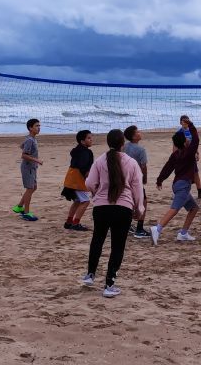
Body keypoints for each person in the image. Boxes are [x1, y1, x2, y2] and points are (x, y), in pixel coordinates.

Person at [81, 129, 145, 297]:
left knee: (97, 239)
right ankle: (109, 285)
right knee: (118, 246)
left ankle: (90, 274)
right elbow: (138, 188)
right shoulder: (131, 162)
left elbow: (89, 183)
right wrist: (139, 208)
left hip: (101, 207)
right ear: (123, 144)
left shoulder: (100, 160)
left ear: (108, 143)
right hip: (123, 208)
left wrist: (96, 193)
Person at [149, 129, 201, 245]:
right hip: (183, 186)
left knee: (193, 208)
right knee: (174, 209)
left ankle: (183, 233)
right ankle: (157, 228)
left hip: (178, 185)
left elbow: (167, 168)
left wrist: (159, 180)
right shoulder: (189, 152)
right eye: (186, 138)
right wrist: (190, 125)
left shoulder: (176, 154)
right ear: (184, 142)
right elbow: (196, 139)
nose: (188, 139)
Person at [122, 125, 152, 238]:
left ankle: (127, 225)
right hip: (135, 179)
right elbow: (143, 166)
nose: (140, 133)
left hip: (124, 178)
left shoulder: (124, 147)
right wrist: (145, 178)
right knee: (143, 201)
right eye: (138, 132)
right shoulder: (141, 150)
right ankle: (139, 229)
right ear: (134, 137)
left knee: (128, 201)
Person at [62, 130, 94, 231]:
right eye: (89, 138)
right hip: (77, 179)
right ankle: (76, 223)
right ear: (82, 141)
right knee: (85, 201)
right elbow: (83, 167)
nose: (91, 140)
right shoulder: (86, 152)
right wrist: (89, 177)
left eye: (91, 137)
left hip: (70, 178)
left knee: (77, 201)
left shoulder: (77, 150)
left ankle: (69, 222)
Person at [13, 119, 43, 221]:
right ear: (30, 128)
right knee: (30, 189)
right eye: (36, 126)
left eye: (39, 126)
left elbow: (21, 146)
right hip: (28, 167)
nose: (39, 128)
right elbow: (24, 155)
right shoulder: (30, 140)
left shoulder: (32, 139)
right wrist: (37, 160)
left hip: (32, 167)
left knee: (34, 187)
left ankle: (19, 206)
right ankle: (26, 213)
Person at [178, 116, 201, 200]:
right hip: (184, 157)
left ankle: (200, 192)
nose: (185, 123)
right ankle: (180, 192)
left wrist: (197, 153)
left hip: (192, 156)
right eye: (183, 121)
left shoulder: (191, 131)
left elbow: (194, 143)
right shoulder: (179, 133)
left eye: (187, 121)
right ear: (180, 123)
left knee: (195, 173)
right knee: (183, 175)